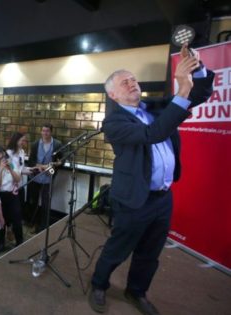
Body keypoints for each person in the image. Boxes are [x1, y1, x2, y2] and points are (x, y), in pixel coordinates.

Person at [88, 45, 214, 315]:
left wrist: (196, 68)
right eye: (126, 82)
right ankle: (98, 284)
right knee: (118, 249)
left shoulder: (154, 107)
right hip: (133, 198)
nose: (133, 83)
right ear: (112, 94)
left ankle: (136, 291)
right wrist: (181, 88)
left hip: (162, 197)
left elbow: (199, 94)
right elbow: (153, 134)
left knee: (150, 252)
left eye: (134, 79)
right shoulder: (113, 124)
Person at [27, 123, 63, 232]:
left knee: (46, 203)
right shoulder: (35, 144)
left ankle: (43, 226)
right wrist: (40, 166)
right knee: (33, 201)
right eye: (43, 131)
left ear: (51, 132)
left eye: (47, 131)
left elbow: (62, 161)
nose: (45, 133)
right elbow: (31, 161)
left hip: (49, 176)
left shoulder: (57, 144)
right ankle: (33, 223)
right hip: (35, 176)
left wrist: (55, 165)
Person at [0, 146, 23, 255]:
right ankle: (1, 244)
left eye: (2, 153)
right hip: (0, 197)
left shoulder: (12, 164)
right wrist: (1, 170)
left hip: (13, 196)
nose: (2, 156)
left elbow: (18, 179)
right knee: (1, 221)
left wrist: (10, 169)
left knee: (17, 220)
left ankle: (19, 242)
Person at [6, 132, 33, 222]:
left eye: (24, 140)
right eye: (22, 140)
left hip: (20, 184)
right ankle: (9, 229)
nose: (23, 142)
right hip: (11, 186)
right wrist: (22, 171)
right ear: (16, 140)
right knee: (12, 209)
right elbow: (8, 170)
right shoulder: (8, 153)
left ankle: (15, 228)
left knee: (19, 208)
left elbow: (21, 168)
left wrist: (32, 169)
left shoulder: (22, 152)